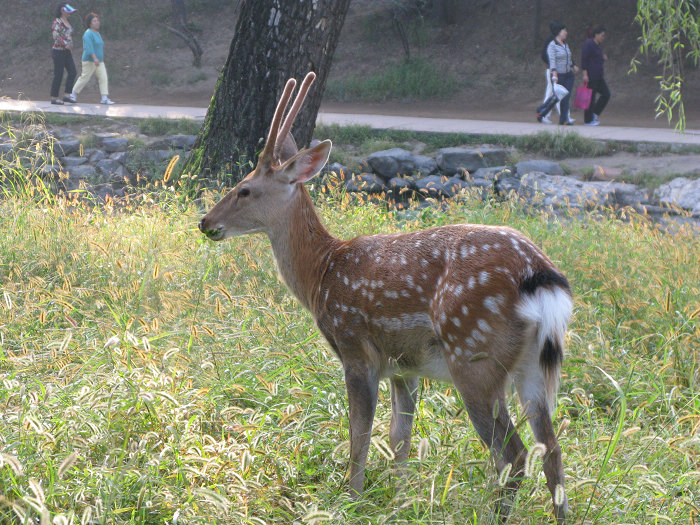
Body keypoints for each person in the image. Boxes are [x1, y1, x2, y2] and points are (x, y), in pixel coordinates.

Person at [537, 21, 579, 125]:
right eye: (564, 30)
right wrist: (554, 73)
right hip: (558, 74)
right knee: (556, 97)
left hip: (568, 74)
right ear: (559, 32)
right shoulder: (552, 44)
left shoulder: (565, 44)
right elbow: (551, 60)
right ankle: (542, 111)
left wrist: (573, 65)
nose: (566, 32)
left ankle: (564, 119)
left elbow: (568, 57)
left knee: (565, 96)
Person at [69, 12, 115, 105]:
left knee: (103, 77)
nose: (97, 22)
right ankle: (73, 94)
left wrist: (99, 59)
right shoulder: (88, 34)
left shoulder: (97, 33)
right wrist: (95, 58)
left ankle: (104, 98)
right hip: (90, 61)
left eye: (97, 20)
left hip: (99, 61)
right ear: (90, 23)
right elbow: (88, 48)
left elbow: (99, 46)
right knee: (85, 78)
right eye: (94, 21)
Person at [50, 3, 78, 105]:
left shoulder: (67, 22)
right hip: (58, 51)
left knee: (73, 71)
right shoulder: (57, 21)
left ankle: (67, 95)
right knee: (59, 74)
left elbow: (69, 35)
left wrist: (70, 46)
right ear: (63, 10)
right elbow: (56, 35)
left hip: (67, 51)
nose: (70, 13)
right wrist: (65, 44)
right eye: (68, 11)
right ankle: (54, 97)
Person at [581, 25, 610, 126]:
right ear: (596, 35)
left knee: (606, 94)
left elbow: (596, 57)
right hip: (591, 76)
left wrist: (603, 57)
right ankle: (588, 120)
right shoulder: (589, 43)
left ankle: (594, 113)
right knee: (590, 98)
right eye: (602, 35)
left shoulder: (597, 46)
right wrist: (585, 74)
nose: (603, 37)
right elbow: (584, 59)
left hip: (599, 76)